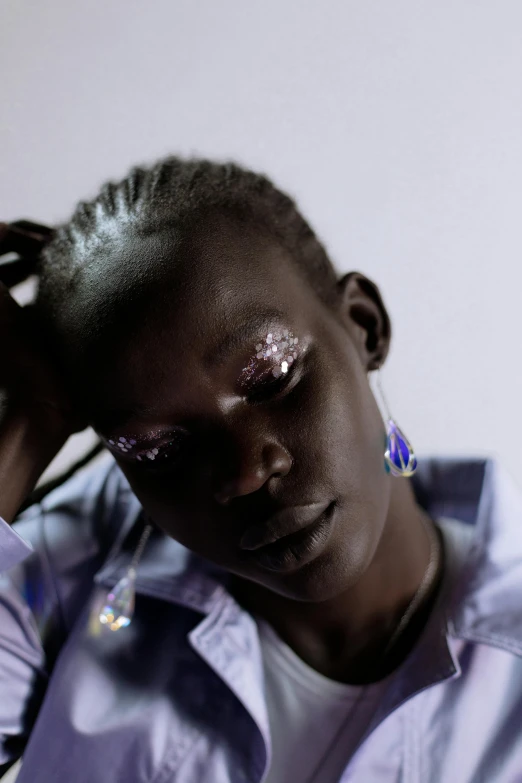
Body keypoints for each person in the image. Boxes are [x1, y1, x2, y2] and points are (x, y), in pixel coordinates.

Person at [0, 158, 520, 783]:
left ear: (364, 327)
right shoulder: (66, 575)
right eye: (158, 450)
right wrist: (30, 423)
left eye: (271, 378)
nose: (246, 471)